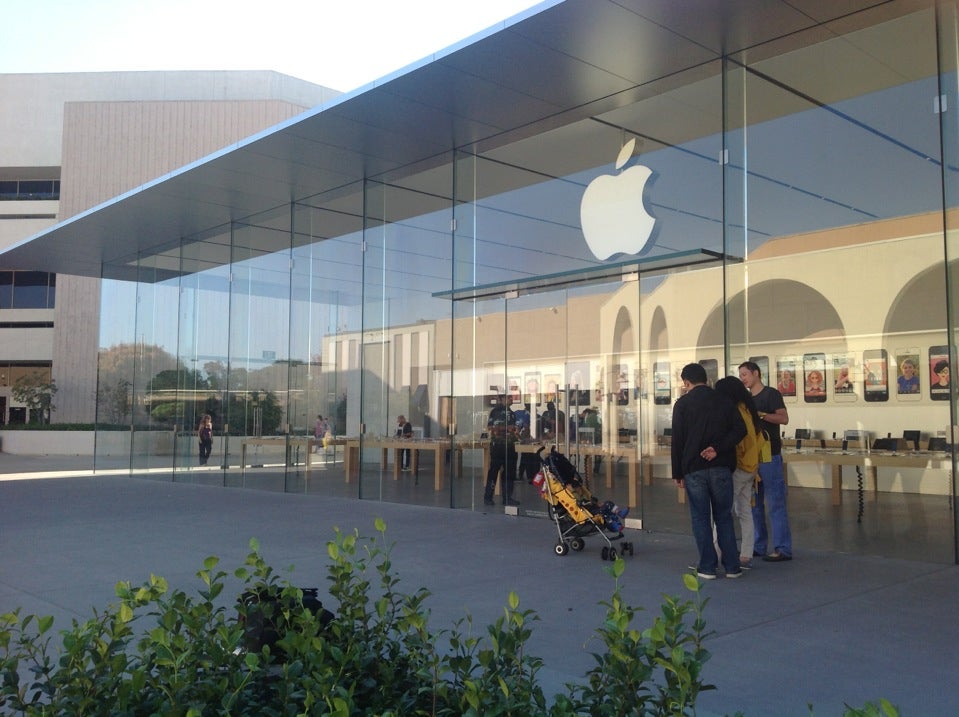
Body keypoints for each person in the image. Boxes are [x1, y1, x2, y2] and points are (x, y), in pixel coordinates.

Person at [671, 363, 747, 579]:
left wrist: (678, 473)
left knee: (700, 518)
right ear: (705, 378)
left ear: (686, 382)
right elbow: (740, 429)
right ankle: (732, 566)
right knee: (724, 516)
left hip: (694, 469)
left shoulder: (683, 404)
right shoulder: (724, 401)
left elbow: (677, 441)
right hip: (721, 467)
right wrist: (718, 448)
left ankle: (707, 566)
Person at [739, 360, 793, 562]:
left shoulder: (771, 394)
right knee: (754, 503)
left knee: (775, 501)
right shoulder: (744, 398)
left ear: (755, 373)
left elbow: (783, 418)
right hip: (751, 456)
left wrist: (762, 415)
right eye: (741, 375)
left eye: (745, 374)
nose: (743, 378)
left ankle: (782, 547)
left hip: (769, 455)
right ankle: (758, 544)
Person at [714, 377, 764, 569]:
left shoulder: (735, 412)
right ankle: (746, 553)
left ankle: (715, 552)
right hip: (751, 468)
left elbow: (739, 441)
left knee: (721, 511)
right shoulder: (748, 409)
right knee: (745, 511)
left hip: (739, 468)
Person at [484, 394, 519, 506]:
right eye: (508, 397)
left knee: (509, 473)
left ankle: (507, 498)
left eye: (511, 398)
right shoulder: (495, 412)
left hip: (510, 447)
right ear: (502, 399)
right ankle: (488, 497)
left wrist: (516, 432)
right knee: (493, 472)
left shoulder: (512, 413)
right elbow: (490, 428)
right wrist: (507, 429)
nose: (511, 399)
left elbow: (514, 430)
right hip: (498, 447)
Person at [513, 402, 541, 484]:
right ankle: (530, 477)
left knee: (529, 458)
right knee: (528, 457)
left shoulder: (531, 416)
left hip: (531, 439)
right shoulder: (525, 415)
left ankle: (530, 477)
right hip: (528, 439)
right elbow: (523, 428)